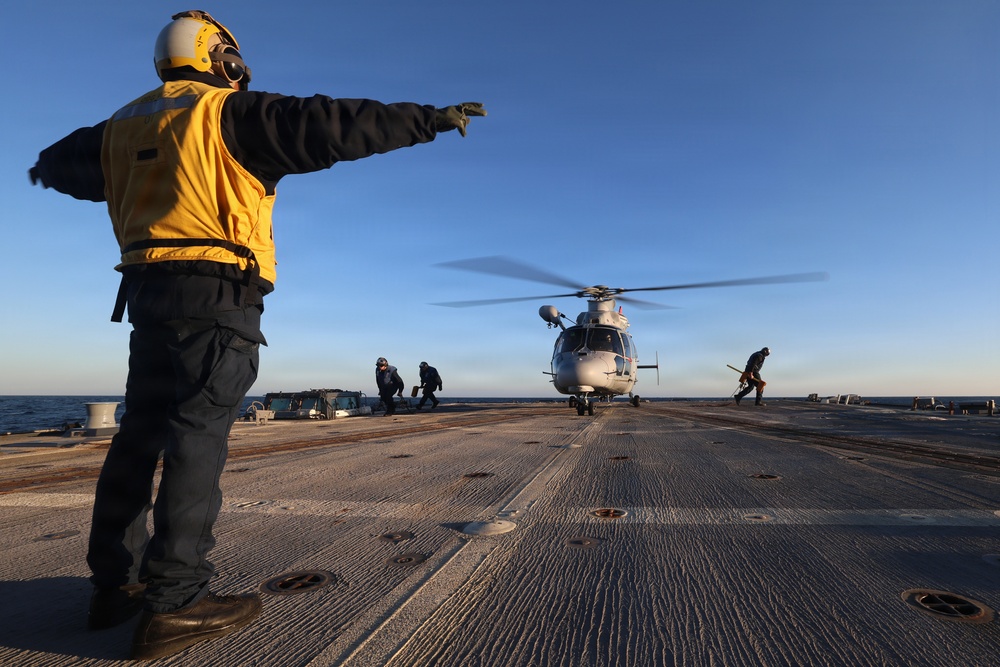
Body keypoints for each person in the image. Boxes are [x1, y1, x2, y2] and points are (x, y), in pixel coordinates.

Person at [28, 10, 485, 660]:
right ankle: (177, 599)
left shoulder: (116, 129)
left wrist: (46, 170)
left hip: (145, 296)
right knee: (197, 433)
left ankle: (116, 586)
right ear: (225, 60)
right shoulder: (227, 115)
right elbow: (332, 124)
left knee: (138, 435)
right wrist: (426, 120)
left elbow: (55, 165)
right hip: (217, 296)